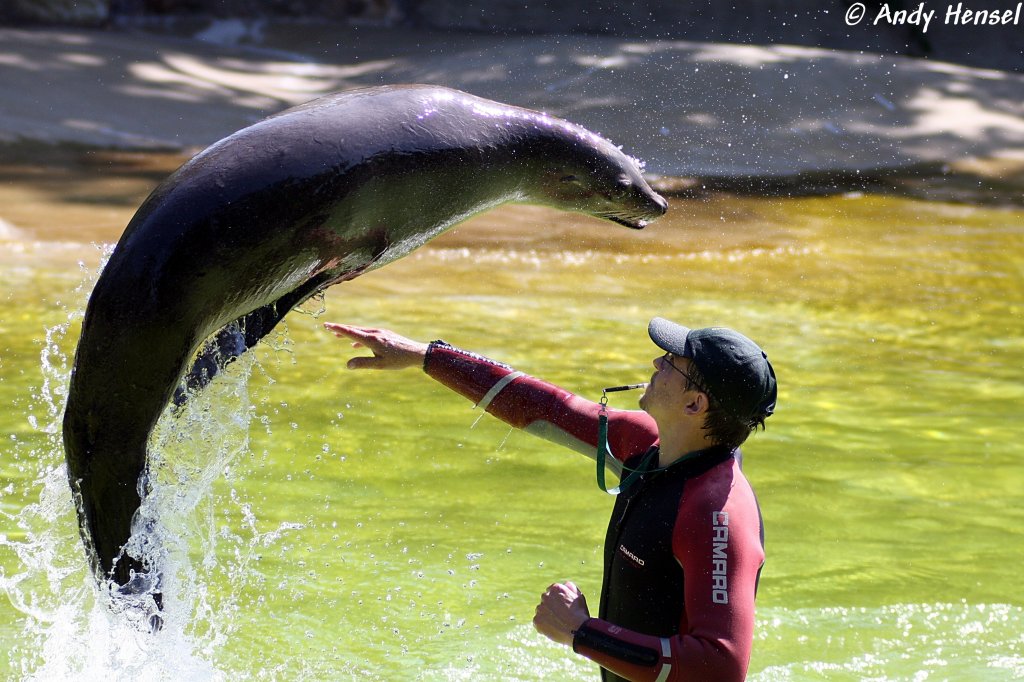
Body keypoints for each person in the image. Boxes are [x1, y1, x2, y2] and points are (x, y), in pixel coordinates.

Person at [324, 317, 777, 681]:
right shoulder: (646, 447)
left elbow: (720, 664)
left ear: (695, 405)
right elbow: (544, 406)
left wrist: (582, 632)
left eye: (671, 362)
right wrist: (425, 356)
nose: (657, 361)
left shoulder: (716, 513)